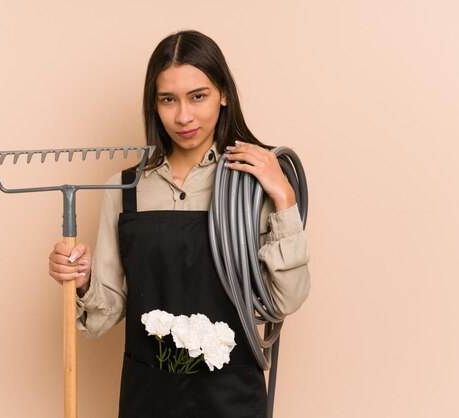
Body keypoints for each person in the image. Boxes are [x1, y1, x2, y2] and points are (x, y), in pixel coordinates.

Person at [48, 30, 310, 418]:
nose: (183, 116)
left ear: (223, 94)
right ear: (153, 105)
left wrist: (284, 198)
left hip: (232, 396)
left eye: (198, 96)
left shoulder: (255, 187)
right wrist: (81, 280)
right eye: (168, 99)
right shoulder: (124, 190)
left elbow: (286, 300)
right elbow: (103, 319)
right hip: (149, 395)